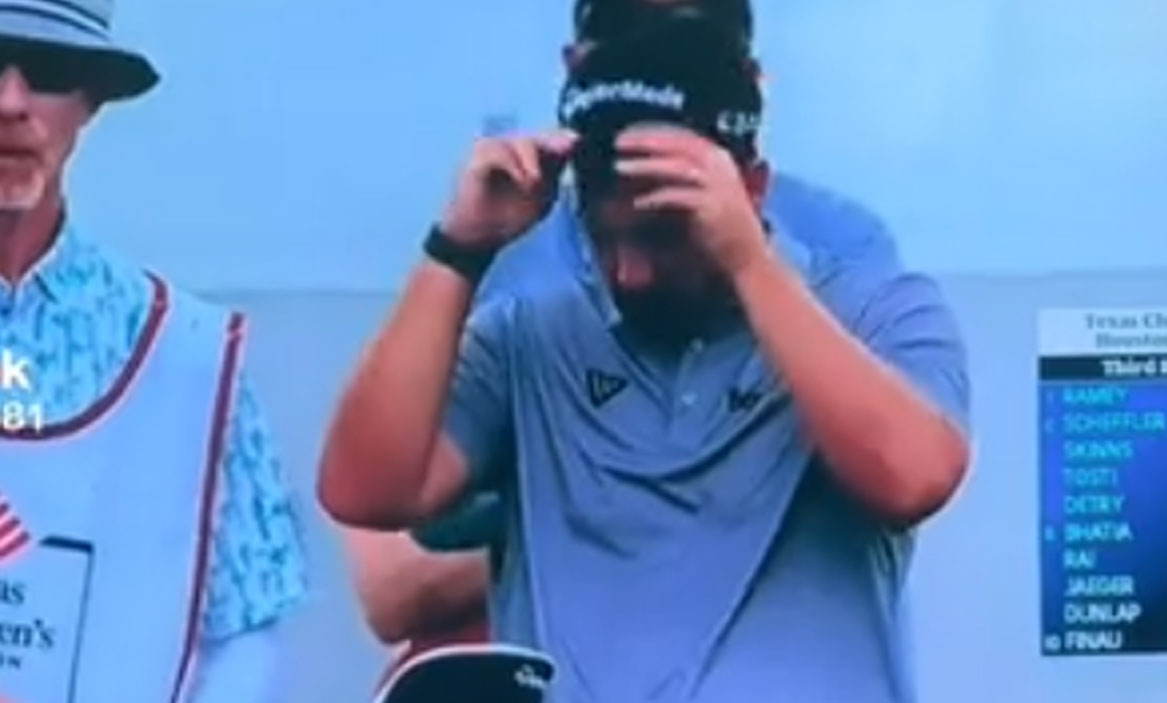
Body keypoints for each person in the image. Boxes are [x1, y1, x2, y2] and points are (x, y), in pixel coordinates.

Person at [320, 15, 969, 703]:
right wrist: (458, 250)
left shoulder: (876, 310)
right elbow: (364, 492)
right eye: (605, 239)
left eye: (663, 235)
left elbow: (915, 478)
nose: (629, 274)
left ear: (750, 188)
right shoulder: (527, 338)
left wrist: (748, 264)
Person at [0, 4, 306, 703]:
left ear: (91, 99)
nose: (10, 101)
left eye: (47, 70)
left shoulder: (191, 359)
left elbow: (244, 635)